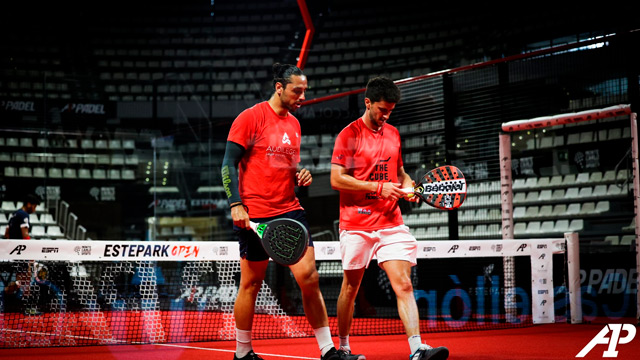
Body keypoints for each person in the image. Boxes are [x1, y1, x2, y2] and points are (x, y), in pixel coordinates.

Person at [221, 63, 362, 360]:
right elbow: (227, 164)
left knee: (309, 277)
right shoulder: (250, 118)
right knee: (251, 283)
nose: (302, 96)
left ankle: (327, 351)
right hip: (254, 213)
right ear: (279, 88)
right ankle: (242, 353)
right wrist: (236, 204)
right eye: (297, 90)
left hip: (289, 209)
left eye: (305, 91)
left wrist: (299, 175)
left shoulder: (295, 124)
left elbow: (285, 165)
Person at [330, 77, 449, 360]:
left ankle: (417, 349)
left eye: (390, 111)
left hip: (390, 222)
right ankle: (343, 348)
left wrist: (407, 186)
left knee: (404, 284)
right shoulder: (349, 135)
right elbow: (336, 179)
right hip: (356, 224)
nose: (386, 115)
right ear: (368, 102)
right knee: (351, 287)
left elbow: (401, 172)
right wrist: (377, 187)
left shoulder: (394, 134)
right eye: (382, 109)